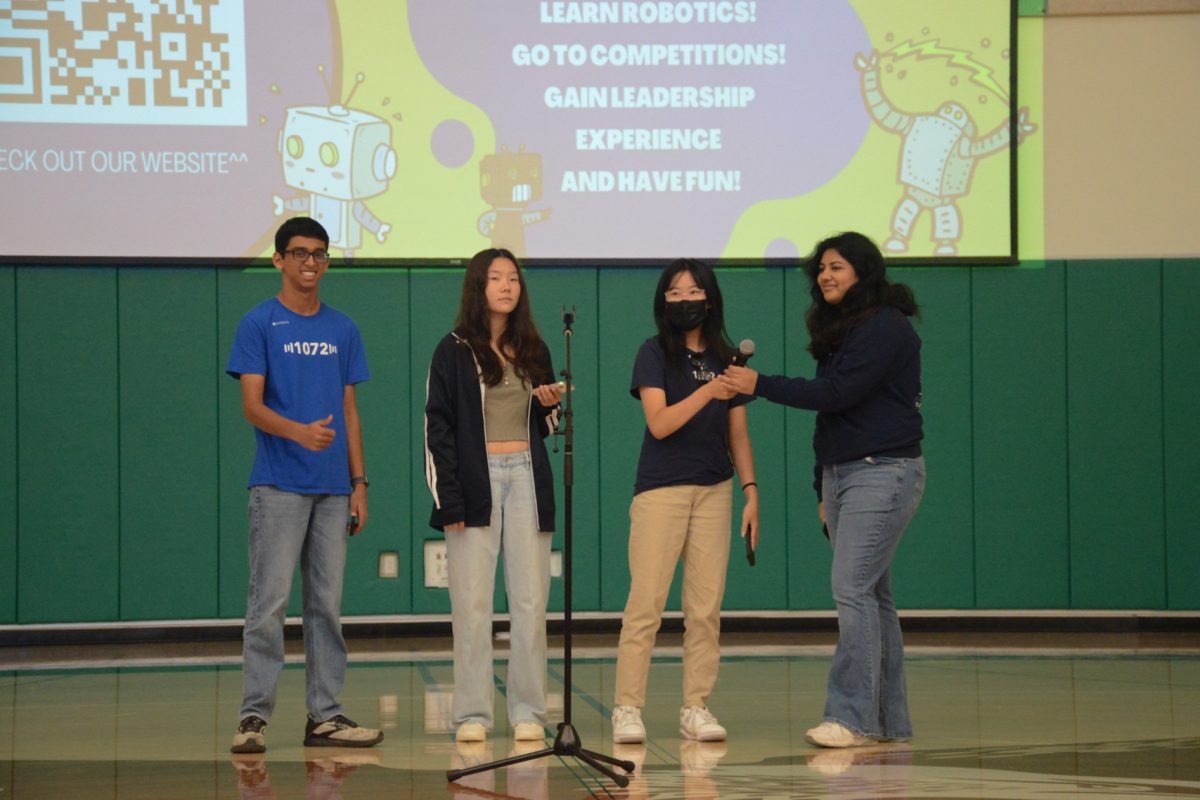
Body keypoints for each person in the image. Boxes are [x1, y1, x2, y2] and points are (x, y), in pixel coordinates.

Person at [720, 231, 925, 748]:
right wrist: (822, 487)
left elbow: (837, 394)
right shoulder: (848, 330)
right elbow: (833, 416)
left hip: (883, 470)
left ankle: (850, 717)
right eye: (821, 270)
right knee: (874, 596)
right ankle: (886, 722)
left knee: (852, 589)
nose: (826, 276)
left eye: (836, 267)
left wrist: (758, 384)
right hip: (845, 474)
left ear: (863, 271)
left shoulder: (885, 327)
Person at [226, 216, 382, 754]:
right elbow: (251, 404)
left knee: (326, 607)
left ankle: (326, 716)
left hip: (335, 490)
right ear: (278, 260)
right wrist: (298, 432)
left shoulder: (343, 327)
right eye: (299, 253)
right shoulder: (259, 323)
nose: (310, 262)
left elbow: (349, 409)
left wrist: (359, 482)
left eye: (319, 253)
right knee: (268, 605)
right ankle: (253, 718)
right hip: (278, 485)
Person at [610, 258, 759, 745]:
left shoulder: (729, 358)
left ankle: (696, 706)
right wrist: (708, 391)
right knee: (646, 603)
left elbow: (738, 432)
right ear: (663, 301)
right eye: (673, 293)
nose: (683, 300)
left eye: (692, 291)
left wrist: (750, 491)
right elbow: (659, 423)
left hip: (714, 490)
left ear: (709, 299)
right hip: (661, 489)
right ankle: (627, 708)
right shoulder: (653, 353)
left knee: (705, 607)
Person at [424, 247, 565, 743]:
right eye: (495, 278)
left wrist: (549, 403)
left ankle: (528, 711)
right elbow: (436, 427)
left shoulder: (534, 349)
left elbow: (546, 427)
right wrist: (450, 501)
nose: (506, 286)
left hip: (526, 474)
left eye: (513, 279)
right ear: (478, 286)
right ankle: (472, 715)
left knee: (530, 600)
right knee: (472, 603)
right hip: (476, 479)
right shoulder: (453, 348)